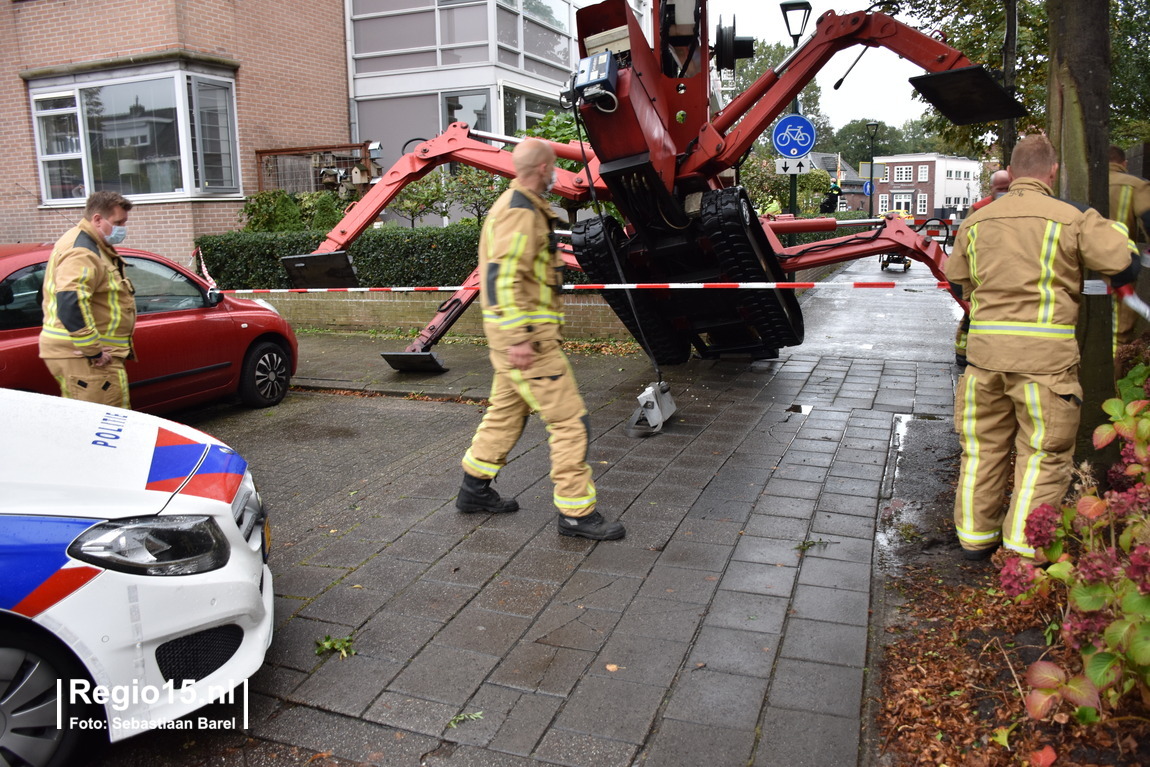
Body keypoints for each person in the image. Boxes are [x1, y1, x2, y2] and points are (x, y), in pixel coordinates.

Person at [945, 135, 1139, 561]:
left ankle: (974, 539)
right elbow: (1123, 263)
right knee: (1042, 454)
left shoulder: (976, 221)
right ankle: (1023, 551)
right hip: (1044, 366)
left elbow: (958, 281)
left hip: (983, 362)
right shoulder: (1073, 218)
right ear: (1053, 171)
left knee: (981, 449)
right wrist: (1116, 231)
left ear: (1012, 173)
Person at [456, 138, 625, 541]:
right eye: (552, 167)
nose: (556, 174)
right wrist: (519, 337)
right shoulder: (520, 213)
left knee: (506, 413)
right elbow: (502, 278)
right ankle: (576, 513)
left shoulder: (522, 206)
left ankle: (473, 490)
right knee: (570, 421)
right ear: (541, 169)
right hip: (528, 345)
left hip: (514, 342)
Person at [40, 190, 136, 409]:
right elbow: (70, 301)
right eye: (118, 222)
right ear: (97, 219)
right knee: (107, 419)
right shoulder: (82, 251)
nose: (123, 228)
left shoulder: (88, 243)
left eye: (124, 222)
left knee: (86, 415)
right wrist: (92, 350)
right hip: (87, 357)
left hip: (81, 354)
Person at [1109, 145, 1150, 351]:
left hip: (1081, 266)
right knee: (1119, 333)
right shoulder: (1135, 185)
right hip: (1120, 266)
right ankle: (1111, 369)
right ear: (1124, 163)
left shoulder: (1080, 178)